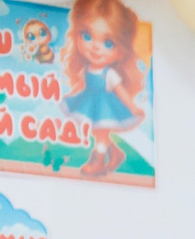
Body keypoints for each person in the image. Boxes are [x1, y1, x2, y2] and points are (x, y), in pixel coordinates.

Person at [61, 0, 147, 179]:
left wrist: (133, 107)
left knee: (100, 132)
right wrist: (71, 94)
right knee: (97, 131)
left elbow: (121, 91)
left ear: (121, 51)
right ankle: (115, 153)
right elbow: (82, 84)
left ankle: (98, 160)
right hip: (89, 103)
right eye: (87, 36)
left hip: (106, 107)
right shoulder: (87, 69)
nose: (95, 47)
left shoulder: (109, 74)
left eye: (108, 43)